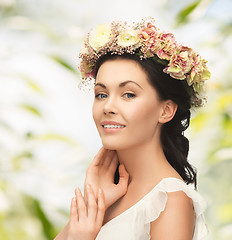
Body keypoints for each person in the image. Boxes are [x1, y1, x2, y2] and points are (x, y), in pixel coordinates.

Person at [55, 18, 210, 240]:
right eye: (101, 94)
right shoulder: (105, 194)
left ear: (166, 111)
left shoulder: (171, 200)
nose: (108, 107)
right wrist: (93, 202)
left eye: (128, 94)